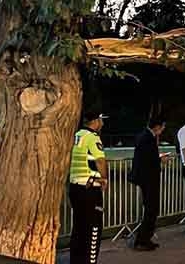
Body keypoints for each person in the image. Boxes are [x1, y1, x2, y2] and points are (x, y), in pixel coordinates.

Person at [69, 111, 109, 264]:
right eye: (101, 120)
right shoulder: (92, 137)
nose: (102, 124)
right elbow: (100, 160)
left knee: (78, 228)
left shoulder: (76, 135)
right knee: (93, 229)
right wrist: (105, 179)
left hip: (75, 187)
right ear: (95, 121)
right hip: (90, 188)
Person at [131, 116, 169, 251]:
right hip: (148, 178)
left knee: (151, 208)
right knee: (151, 209)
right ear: (157, 127)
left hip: (147, 177)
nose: (163, 129)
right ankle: (142, 240)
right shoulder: (147, 138)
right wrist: (160, 160)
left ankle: (146, 238)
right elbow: (147, 159)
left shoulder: (145, 136)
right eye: (162, 127)